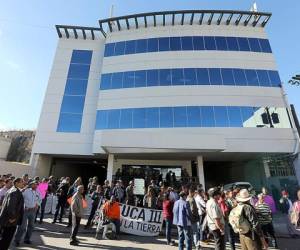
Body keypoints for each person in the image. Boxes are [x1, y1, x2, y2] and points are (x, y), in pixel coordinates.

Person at [14, 180, 42, 246]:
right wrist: (23, 206)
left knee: (31, 226)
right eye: (34, 184)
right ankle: (17, 240)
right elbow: (19, 198)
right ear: (30, 185)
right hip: (25, 211)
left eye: (36, 184)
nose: (35, 185)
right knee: (22, 226)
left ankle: (27, 239)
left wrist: (37, 204)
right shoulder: (26, 191)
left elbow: (40, 199)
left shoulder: (38, 191)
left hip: (33, 211)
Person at [0, 178, 24, 250]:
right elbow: (11, 206)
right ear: (16, 183)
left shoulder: (13, 190)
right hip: (10, 221)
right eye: (21, 182)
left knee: (4, 239)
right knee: (6, 240)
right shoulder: (14, 192)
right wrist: (12, 218)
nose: (23, 183)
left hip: (7, 220)